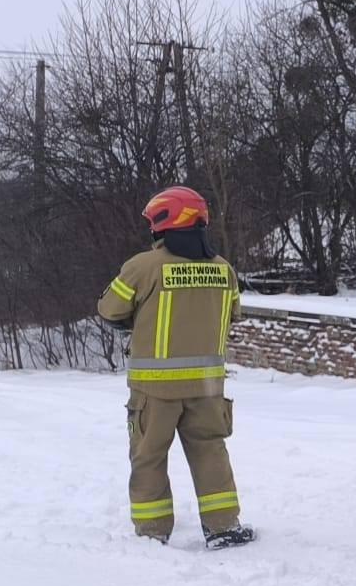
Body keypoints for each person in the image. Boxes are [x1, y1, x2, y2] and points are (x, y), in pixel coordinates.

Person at [95, 185, 254, 548]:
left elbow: (109, 309)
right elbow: (233, 314)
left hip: (155, 390)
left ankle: (153, 532)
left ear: (163, 223)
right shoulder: (224, 270)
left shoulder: (143, 266)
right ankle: (224, 527)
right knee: (210, 452)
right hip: (207, 389)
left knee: (149, 458)